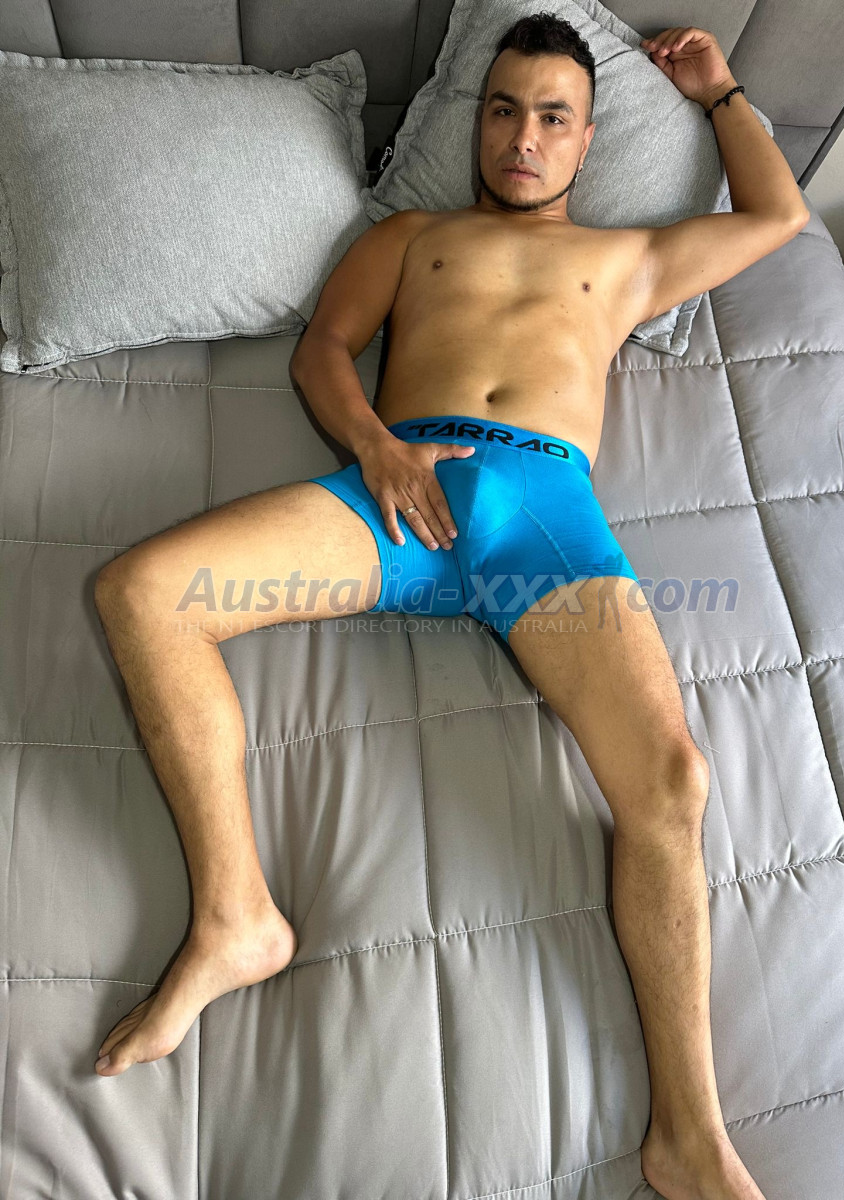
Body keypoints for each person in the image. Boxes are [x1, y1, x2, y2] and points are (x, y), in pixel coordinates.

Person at [93, 14, 806, 1199]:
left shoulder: (629, 261)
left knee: (672, 779)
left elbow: (778, 216)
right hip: (399, 492)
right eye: (504, 110)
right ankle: (236, 918)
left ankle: (688, 1136)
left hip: (541, 517)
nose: (524, 138)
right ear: (480, 122)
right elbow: (322, 351)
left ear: (587, 140)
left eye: (554, 118)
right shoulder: (412, 236)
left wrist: (720, 89)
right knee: (142, 593)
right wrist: (375, 448)